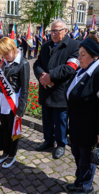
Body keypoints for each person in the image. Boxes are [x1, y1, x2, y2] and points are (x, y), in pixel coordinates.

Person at [65, 34, 99, 194]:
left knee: (86, 159)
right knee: (79, 156)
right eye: (79, 53)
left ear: (94, 56)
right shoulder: (83, 69)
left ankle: (86, 186)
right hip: (77, 126)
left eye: (82, 54)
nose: (78, 57)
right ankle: (79, 181)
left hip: (90, 129)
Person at [33, 19, 79, 158]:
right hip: (46, 89)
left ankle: (60, 145)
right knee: (46, 119)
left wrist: (51, 76)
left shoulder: (74, 46)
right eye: (51, 31)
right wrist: (42, 76)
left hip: (61, 90)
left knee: (60, 121)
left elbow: (70, 67)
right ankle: (48, 141)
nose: (53, 33)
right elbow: (37, 64)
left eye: (56, 31)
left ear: (65, 31)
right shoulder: (46, 46)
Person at [0, 37, 30, 168]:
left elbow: (25, 89)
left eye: (6, 53)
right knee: (4, 129)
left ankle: (12, 155)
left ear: (13, 49)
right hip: (2, 102)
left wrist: (21, 110)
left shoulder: (23, 64)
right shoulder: (4, 62)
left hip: (13, 103)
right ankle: (5, 152)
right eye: (2, 54)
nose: (5, 56)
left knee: (12, 130)